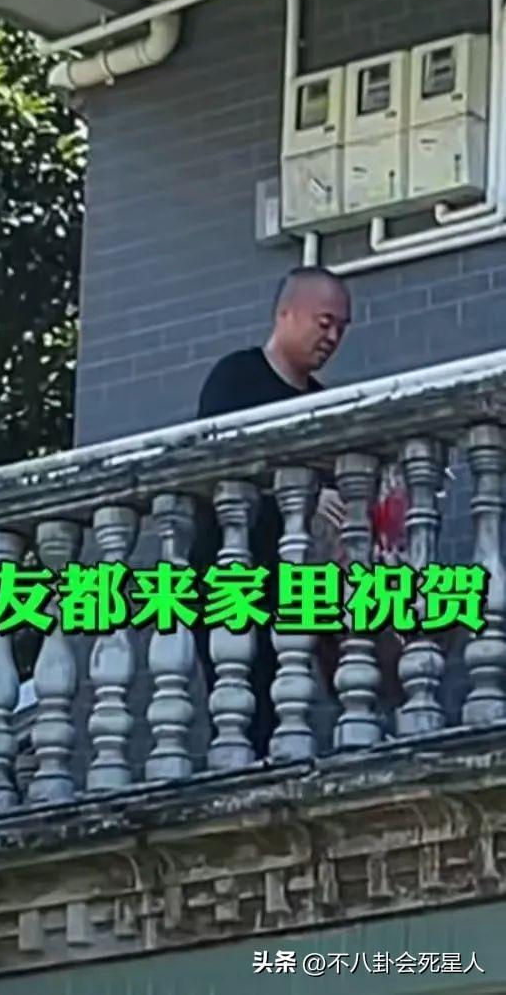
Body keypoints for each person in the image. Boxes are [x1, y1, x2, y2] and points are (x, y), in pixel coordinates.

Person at [192, 266, 366, 754]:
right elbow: (220, 462)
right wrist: (308, 494)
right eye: (324, 322)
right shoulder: (237, 377)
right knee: (243, 707)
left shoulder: (323, 404)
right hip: (233, 573)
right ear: (286, 313)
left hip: (296, 578)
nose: (332, 338)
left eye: (341, 328)